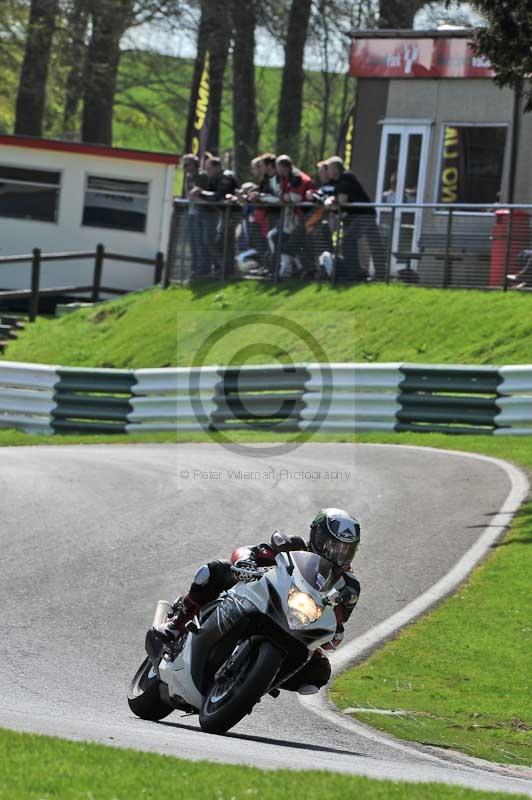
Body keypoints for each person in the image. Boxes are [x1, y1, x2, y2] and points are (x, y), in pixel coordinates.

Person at [151, 508, 361, 694]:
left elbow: (338, 622)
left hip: (299, 624)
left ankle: (257, 683)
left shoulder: (349, 586)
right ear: (317, 536)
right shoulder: (292, 546)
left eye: (345, 549)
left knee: (320, 671)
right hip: (261, 599)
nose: (337, 554)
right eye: (332, 546)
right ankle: (177, 623)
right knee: (214, 570)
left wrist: (335, 630)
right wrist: (246, 562)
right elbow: (250, 551)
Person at [325, 156, 386, 282]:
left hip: (363, 215)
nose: (328, 171)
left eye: (330, 168)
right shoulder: (341, 181)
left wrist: (332, 206)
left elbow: (342, 202)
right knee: (374, 243)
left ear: (336, 169)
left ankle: (355, 273)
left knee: (348, 240)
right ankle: (375, 273)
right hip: (362, 215)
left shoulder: (344, 179)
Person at [182, 154, 209, 277]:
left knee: (200, 241)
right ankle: (194, 268)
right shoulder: (188, 177)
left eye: (187, 164)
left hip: (201, 212)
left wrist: (192, 196)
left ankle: (203, 268)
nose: (185, 167)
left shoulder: (201, 176)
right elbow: (189, 195)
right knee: (192, 241)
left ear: (195, 165)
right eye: (183, 165)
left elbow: (195, 194)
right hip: (191, 212)